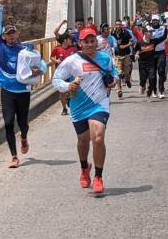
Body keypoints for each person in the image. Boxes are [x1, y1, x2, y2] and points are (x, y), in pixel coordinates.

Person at [52, 27, 118, 194]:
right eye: (86, 41)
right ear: (80, 43)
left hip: (99, 103)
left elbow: (114, 73)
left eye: (92, 41)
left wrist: (113, 82)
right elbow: (56, 79)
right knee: (83, 140)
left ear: (96, 42)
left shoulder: (105, 58)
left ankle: (98, 177)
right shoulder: (71, 61)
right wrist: (68, 85)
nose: (89, 44)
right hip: (79, 105)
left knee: (98, 137)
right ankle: (84, 167)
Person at [0, 0, 45, 168]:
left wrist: (40, 70)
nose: (11, 36)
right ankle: (14, 156)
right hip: (7, 91)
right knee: (8, 123)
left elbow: (42, 63)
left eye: (14, 33)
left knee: (23, 123)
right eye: (8, 33)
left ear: (17, 34)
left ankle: (23, 137)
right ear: (3, 35)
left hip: (23, 91)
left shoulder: (25, 49)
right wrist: (1, 5)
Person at [50, 33, 77, 115]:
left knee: (73, 90)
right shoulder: (57, 49)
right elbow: (51, 57)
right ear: (65, 40)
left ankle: (73, 106)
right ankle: (64, 108)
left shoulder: (73, 49)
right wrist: (56, 61)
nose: (71, 40)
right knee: (62, 92)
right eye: (69, 39)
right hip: (61, 74)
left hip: (72, 73)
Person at [112, 19, 133, 99]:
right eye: (117, 25)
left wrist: (125, 46)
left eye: (119, 25)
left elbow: (132, 41)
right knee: (118, 73)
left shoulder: (126, 32)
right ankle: (119, 90)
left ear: (122, 25)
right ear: (115, 25)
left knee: (127, 72)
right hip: (117, 56)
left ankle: (127, 79)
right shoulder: (112, 34)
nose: (118, 26)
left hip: (126, 54)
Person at [149, 15, 168, 98]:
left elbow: (164, 37)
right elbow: (147, 39)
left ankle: (161, 90)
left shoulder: (163, 28)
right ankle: (154, 90)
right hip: (151, 53)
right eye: (153, 20)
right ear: (151, 21)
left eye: (156, 20)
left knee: (161, 71)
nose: (155, 22)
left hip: (161, 52)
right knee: (152, 74)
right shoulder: (148, 29)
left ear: (159, 20)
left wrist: (155, 41)